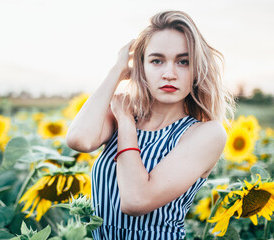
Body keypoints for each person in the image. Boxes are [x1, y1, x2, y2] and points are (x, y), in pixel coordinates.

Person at [66, 10, 234, 240]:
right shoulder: (123, 113)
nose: (169, 74)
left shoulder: (205, 133)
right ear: (140, 67)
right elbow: (79, 139)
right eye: (157, 60)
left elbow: (136, 200)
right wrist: (117, 71)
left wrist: (126, 125)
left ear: (197, 70)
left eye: (183, 62)